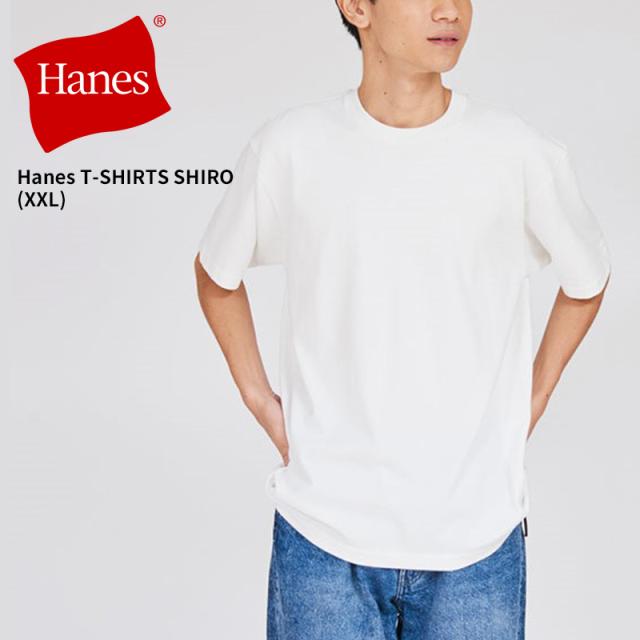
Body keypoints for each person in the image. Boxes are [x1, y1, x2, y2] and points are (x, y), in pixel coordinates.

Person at [194, 1, 612, 638]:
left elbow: (587, 279)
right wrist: (261, 400)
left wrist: (533, 397)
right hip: (323, 536)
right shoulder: (293, 148)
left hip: (476, 541)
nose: (450, 10)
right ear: (356, 6)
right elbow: (216, 273)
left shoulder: (515, 152)